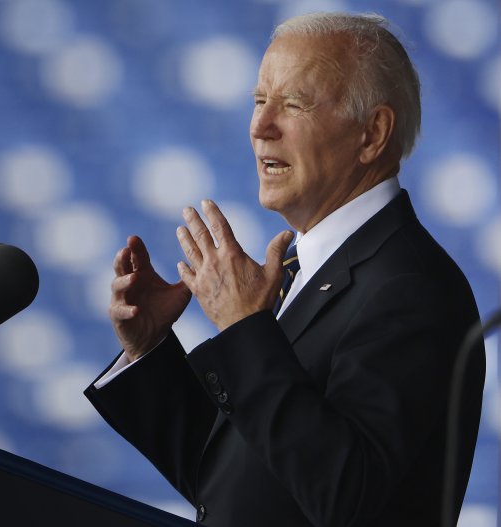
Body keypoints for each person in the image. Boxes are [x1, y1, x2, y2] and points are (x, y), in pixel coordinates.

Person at [84, 12, 485, 527]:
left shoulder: (411, 287)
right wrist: (149, 350)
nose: (259, 127)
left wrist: (245, 330)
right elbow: (236, 480)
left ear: (372, 134)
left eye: (293, 104)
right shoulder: (304, 271)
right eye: (258, 101)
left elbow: (345, 496)